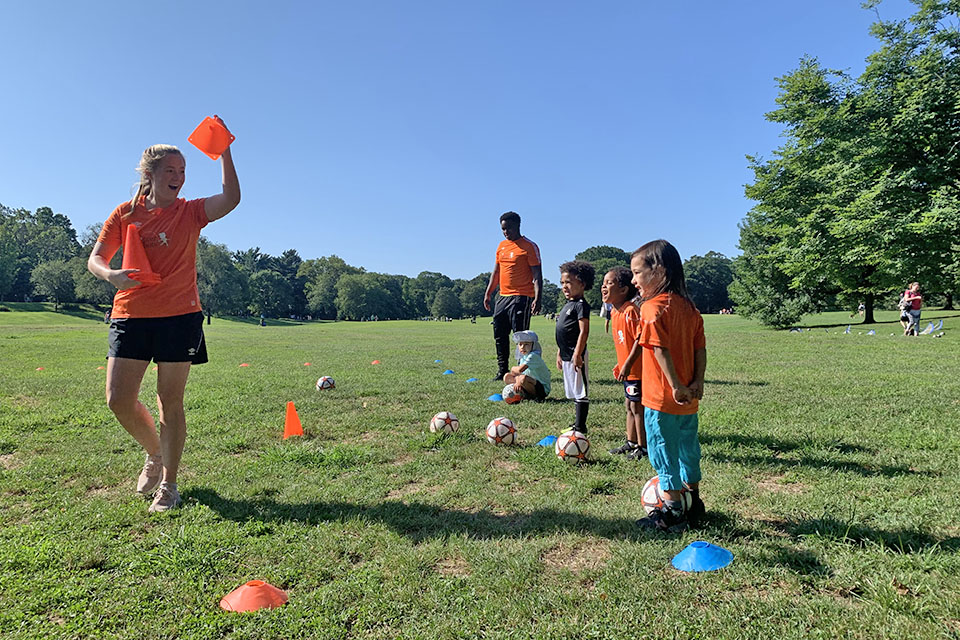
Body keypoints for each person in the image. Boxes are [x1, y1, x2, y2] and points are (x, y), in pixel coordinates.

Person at [87, 126, 240, 512]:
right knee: (118, 400)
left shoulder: (190, 211)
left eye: (183, 170)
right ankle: (154, 452)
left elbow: (231, 198)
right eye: (170, 170)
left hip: (179, 316)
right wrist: (111, 275)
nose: (178, 177)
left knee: (169, 400)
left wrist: (223, 153)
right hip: (130, 314)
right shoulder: (126, 213)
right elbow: (96, 258)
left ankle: (169, 484)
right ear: (150, 174)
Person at [631, 240, 706, 533]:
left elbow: (659, 350)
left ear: (658, 271)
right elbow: (700, 349)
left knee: (663, 449)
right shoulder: (689, 308)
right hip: (689, 398)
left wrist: (674, 385)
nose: (634, 280)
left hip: (662, 399)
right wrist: (696, 381)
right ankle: (694, 501)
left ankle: (673, 510)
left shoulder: (651, 309)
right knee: (688, 447)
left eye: (637, 273)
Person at [483, 212, 542, 380]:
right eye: (503, 229)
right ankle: (502, 370)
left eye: (508, 228)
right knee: (500, 335)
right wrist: (488, 293)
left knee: (521, 337)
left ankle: (521, 371)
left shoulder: (529, 246)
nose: (506, 232)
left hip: (521, 296)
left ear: (518, 226)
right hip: (502, 297)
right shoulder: (501, 246)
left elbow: (537, 274)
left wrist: (538, 298)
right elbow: (496, 272)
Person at [601, 267, 646, 460]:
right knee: (629, 405)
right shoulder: (615, 312)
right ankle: (631, 442)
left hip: (637, 371)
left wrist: (628, 364)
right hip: (627, 370)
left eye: (609, 283)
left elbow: (640, 340)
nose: (603, 286)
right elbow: (623, 343)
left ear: (623, 289)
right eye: (604, 283)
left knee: (637, 408)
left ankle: (643, 447)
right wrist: (621, 365)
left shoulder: (631, 311)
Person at [555, 260, 594, 433]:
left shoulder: (581, 306)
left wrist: (578, 353)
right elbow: (563, 332)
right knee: (572, 389)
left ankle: (580, 426)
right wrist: (559, 352)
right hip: (566, 354)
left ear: (582, 284)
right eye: (562, 283)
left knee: (580, 390)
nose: (564, 286)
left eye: (568, 282)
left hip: (575, 354)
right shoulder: (568, 304)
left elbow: (583, 331)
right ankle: (576, 423)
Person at [503, 330, 551, 402]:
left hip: (541, 389)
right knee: (507, 376)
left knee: (523, 378)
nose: (522, 347)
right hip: (529, 383)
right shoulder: (524, 357)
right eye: (520, 344)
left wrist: (513, 369)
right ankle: (521, 393)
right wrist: (517, 380)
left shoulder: (533, 356)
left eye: (526, 344)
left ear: (533, 345)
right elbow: (515, 373)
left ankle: (535, 397)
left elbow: (519, 370)